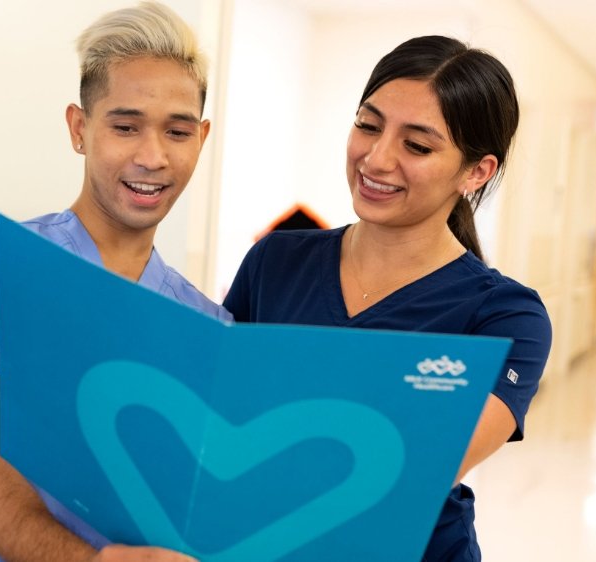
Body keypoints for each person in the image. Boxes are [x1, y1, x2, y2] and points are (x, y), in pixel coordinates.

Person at [0, 2, 230, 560]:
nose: (152, 156)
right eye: (125, 126)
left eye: (177, 132)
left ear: (200, 140)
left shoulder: (208, 327)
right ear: (80, 129)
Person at [224, 35, 552, 560]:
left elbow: (413, 470)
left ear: (476, 171)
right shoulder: (276, 262)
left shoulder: (504, 317)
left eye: (417, 146)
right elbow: (217, 408)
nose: (376, 159)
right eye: (368, 125)